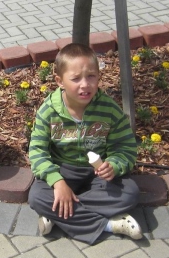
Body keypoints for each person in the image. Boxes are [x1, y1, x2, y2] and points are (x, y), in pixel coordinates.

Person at [28, 43, 142, 244]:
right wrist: (57, 182)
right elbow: (37, 151)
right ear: (60, 81)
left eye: (91, 76)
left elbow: (124, 146)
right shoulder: (49, 111)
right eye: (75, 79)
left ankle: (58, 213)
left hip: (97, 174)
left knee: (130, 193)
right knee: (37, 196)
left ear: (99, 76)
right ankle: (110, 225)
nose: (85, 84)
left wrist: (114, 164)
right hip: (63, 170)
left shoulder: (109, 109)